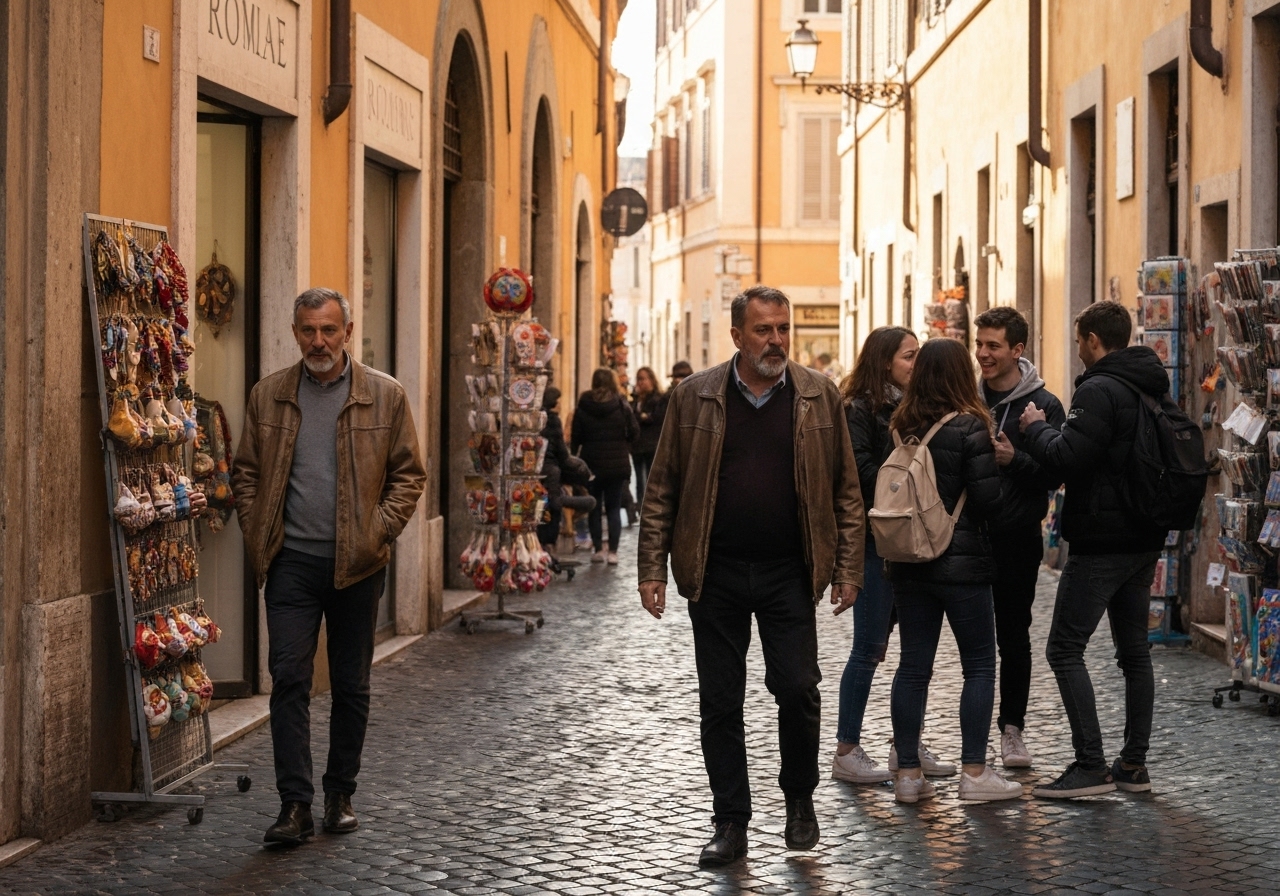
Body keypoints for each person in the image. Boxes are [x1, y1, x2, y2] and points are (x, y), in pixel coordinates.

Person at [637, 285, 864, 865]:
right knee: (720, 701)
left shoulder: (818, 395)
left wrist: (847, 568)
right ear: (737, 336)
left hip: (790, 571)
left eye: (783, 328)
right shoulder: (694, 396)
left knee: (798, 688)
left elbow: (846, 490)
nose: (777, 340)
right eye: (764, 330)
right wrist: (652, 567)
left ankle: (799, 800)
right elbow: (661, 486)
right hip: (714, 572)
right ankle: (731, 821)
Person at [232, 287, 426, 845]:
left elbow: (409, 474)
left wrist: (378, 530)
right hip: (290, 561)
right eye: (309, 331)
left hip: (358, 564)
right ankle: (294, 804)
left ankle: (341, 792)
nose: (319, 341)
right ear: (295, 333)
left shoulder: (385, 396)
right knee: (288, 677)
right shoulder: (268, 395)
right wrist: (257, 527)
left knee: (350, 684)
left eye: (329, 330)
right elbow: (246, 472)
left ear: (347, 331)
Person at [1019, 301, 1167, 799]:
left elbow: (1066, 458)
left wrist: (1036, 427)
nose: (1077, 347)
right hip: (1144, 538)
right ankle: (1133, 765)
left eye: (1079, 339)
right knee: (1134, 653)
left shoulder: (1099, 389)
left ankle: (1091, 764)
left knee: (1064, 648)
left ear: (1094, 341)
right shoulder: (1148, 384)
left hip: (1103, 539)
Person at [883, 337, 1020, 804]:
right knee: (979, 664)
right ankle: (975, 773)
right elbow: (987, 502)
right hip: (961, 565)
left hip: (909, 560)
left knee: (913, 666)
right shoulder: (969, 426)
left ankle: (906, 774)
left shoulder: (902, 424)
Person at [833, 326, 947, 785]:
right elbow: (857, 472)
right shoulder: (859, 410)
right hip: (875, 543)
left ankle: (907, 746)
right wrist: (903, 468)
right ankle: (846, 748)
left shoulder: (915, 407)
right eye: (908, 357)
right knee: (869, 648)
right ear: (884, 362)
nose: (916, 364)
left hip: (912, 543)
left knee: (916, 653)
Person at [973, 307, 1065, 769]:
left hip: (1016, 537)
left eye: (993, 345)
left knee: (1013, 637)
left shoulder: (1044, 406)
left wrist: (1015, 461)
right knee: (971, 642)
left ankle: (1012, 731)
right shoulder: (965, 398)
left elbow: (1055, 475)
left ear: (1017, 350)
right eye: (980, 344)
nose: (984, 354)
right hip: (967, 537)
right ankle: (971, 741)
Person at [571, 368, 639, 565]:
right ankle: (613, 553)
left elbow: (577, 436)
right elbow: (634, 431)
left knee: (593, 506)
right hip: (616, 464)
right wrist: (624, 444)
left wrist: (576, 459)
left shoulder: (583, 405)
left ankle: (599, 549)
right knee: (613, 507)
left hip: (591, 463)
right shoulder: (620, 404)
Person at [536, 386, 595, 557]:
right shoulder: (553, 420)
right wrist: (583, 472)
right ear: (554, 403)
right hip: (551, 472)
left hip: (535, 470)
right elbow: (562, 454)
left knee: (541, 507)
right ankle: (548, 546)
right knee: (552, 507)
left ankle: (541, 545)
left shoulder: (537, 417)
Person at [629, 366, 667, 505]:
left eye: (643, 379)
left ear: (651, 380)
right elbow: (633, 419)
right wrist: (642, 416)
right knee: (639, 479)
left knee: (652, 479)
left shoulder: (658, 399)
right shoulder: (634, 400)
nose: (640, 382)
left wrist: (643, 417)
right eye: (638, 379)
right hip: (637, 446)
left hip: (652, 445)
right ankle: (640, 505)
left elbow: (654, 419)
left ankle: (651, 506)